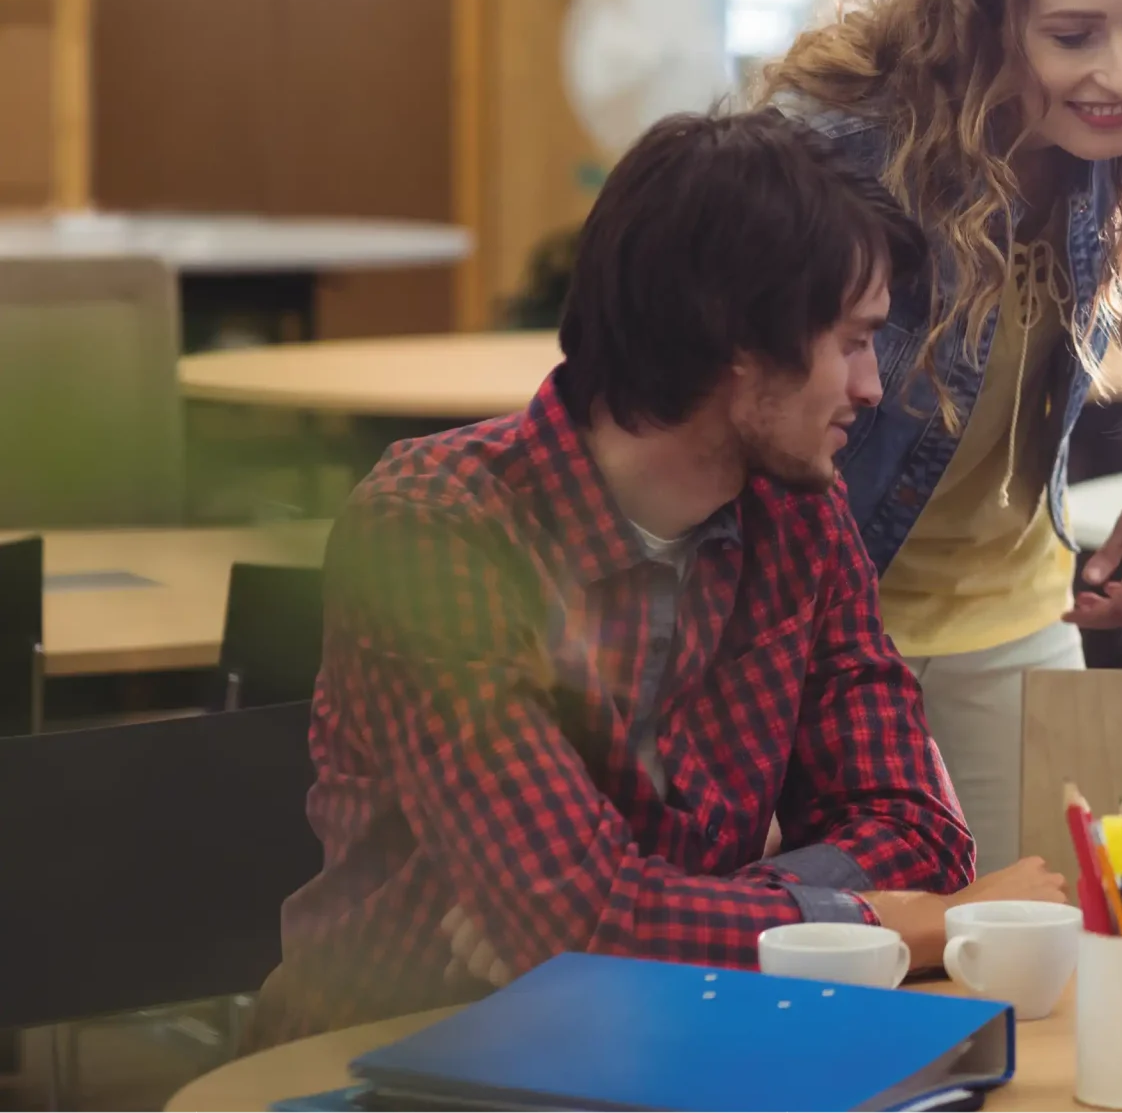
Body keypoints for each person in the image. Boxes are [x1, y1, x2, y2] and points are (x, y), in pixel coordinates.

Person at [257, 111, 1063, 1045]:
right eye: (850, 341)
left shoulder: (799, 514)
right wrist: (891, 922)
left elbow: (920, 829)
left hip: (681, 1036)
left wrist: (671, 919)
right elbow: (580, 920)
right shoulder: (439, 528)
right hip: (403, 1049)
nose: (873, 386)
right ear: (734, 340)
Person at [760, 0, 1122, 870]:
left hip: (1018, 627)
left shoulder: (1118, 142)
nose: (1121, 71)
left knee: (1065, 963)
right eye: (1073, 37)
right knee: (864, 984)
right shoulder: (832, 154)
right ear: (981, 27)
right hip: (828, 648)